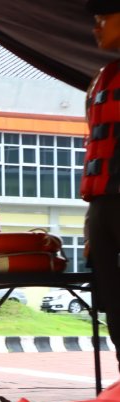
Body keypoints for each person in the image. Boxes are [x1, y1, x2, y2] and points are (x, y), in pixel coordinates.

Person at [82, 1, 120, 371]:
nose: (96, 27)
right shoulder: (101, 77)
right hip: (102, 206)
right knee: (113, 305)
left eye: (103, 18)